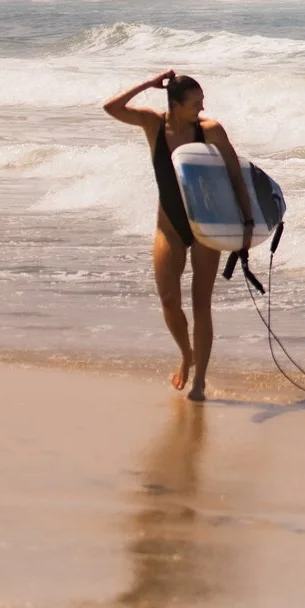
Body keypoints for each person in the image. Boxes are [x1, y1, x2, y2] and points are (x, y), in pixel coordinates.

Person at [103, 71, 256, 400]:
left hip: (206, 225)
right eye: (195, 103)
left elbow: (233, 173)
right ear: (175, 104)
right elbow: (111, 107)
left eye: (202, 102)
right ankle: (186, 355)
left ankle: (199, 379)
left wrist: (246, 221)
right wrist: (148, 84)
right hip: (169, 224)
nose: (202, 108)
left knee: (202, 303)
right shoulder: (153, 125)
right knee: (169, 300)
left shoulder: (210, 130)